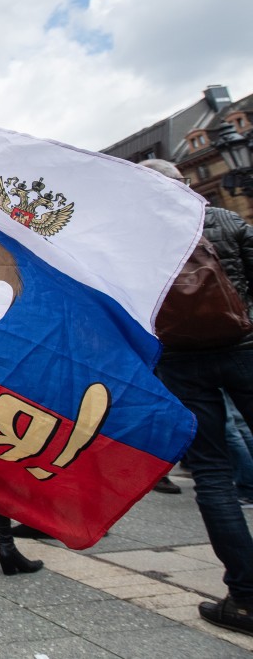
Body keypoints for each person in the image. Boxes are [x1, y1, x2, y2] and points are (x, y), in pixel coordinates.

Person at [141, 157, 253, 635]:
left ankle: (245, 598)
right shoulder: (226, 220)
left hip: (181, 358)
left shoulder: (134, 238)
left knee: (210, 474)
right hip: (246, 345)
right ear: (185, 185)